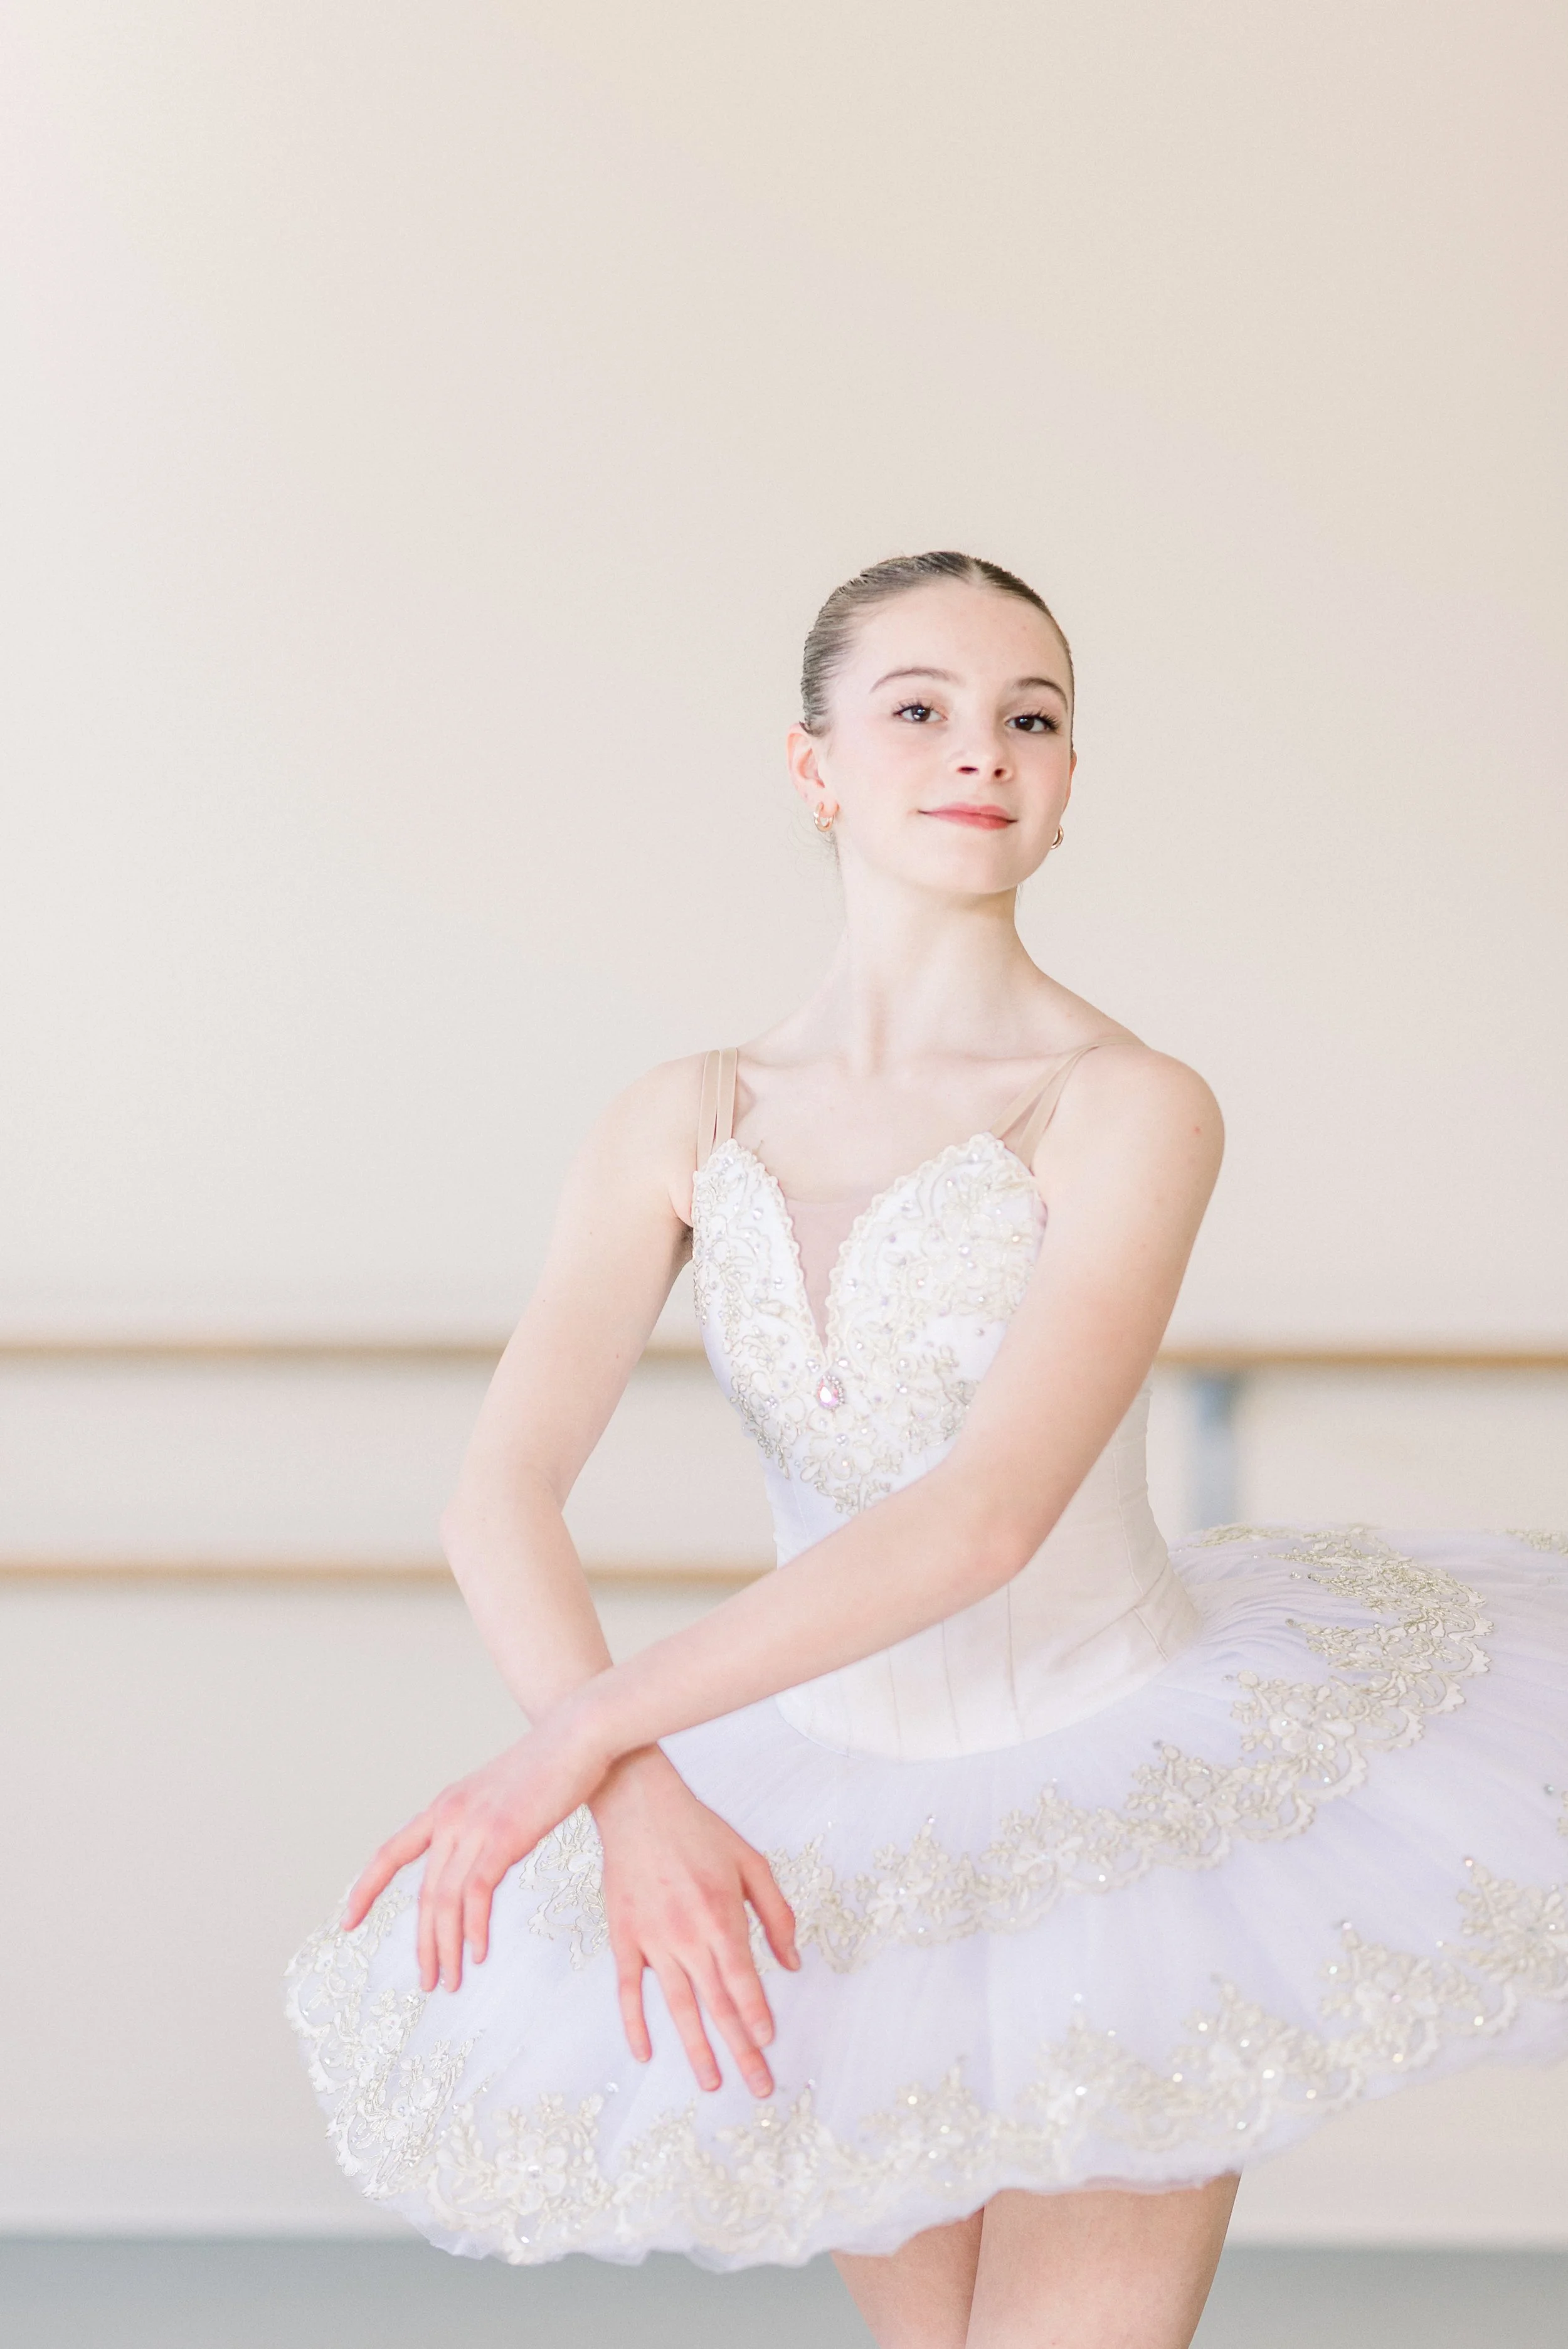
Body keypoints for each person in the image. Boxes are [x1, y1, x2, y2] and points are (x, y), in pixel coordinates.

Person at [286, 552, 1568, 2348]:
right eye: (920, 710)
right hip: (830, 1812)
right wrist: (638, 1791)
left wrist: (578, 1736)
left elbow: (983, 1520)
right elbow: (495, 1490)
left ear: (1061, 788)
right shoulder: (681, 1116)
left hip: (1128, 1800)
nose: (983, 750)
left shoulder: (1127, 1105)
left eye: (1029, 719)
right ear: (813, 766)